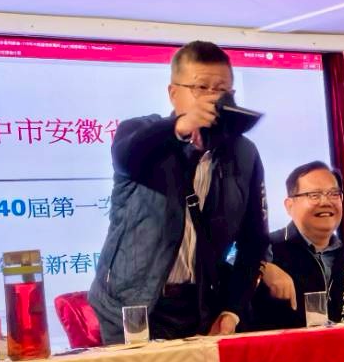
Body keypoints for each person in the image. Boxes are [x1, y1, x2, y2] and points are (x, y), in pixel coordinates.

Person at [89, 41, 267, 342]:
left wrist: (232, 310)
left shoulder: (243, 153)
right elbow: (126, 156)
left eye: (222, 89)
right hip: (132, 307)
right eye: (201, 88)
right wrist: (181, 126)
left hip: (202, 307)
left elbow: (254, 242)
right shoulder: (142, 134)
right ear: (174, 93)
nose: (212, 98)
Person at [245, 161, 344, 331]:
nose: (326, 202)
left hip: (341, 347)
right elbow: (225, 257)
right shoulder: (265, 246)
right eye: (314, 195)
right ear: (290, 206)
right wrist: (261, 267)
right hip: (281, 347)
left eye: (334, 194)